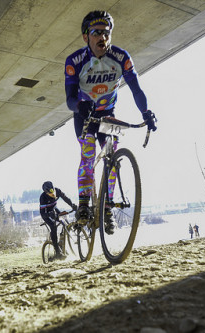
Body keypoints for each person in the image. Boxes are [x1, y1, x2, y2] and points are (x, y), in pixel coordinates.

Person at [64, 10, 157, 232]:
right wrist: (79, 106)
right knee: (87, 155)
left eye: (106, 33)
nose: (103, 38)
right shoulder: (75, 61)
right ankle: (85, 203)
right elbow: (69, 99)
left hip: (107, 113)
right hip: (83, 114)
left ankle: (107, 208)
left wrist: (146, 112)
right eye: (97, 33)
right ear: (86, 37)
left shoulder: (121, 58)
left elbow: (136, 89)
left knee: (113, 155)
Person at [40, 181, 77, 260]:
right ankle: (57, 252)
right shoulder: (43, 197)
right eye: (49, 193)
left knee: (64, 221)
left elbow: (66, 198)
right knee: (53, 227)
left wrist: (72, 205)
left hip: (54, 209)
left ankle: (61, 243)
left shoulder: (58, 191)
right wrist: (49, 215)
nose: (52, 194)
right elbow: (42, 213)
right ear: (46, 192)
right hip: (46, 214)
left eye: (52, 191)